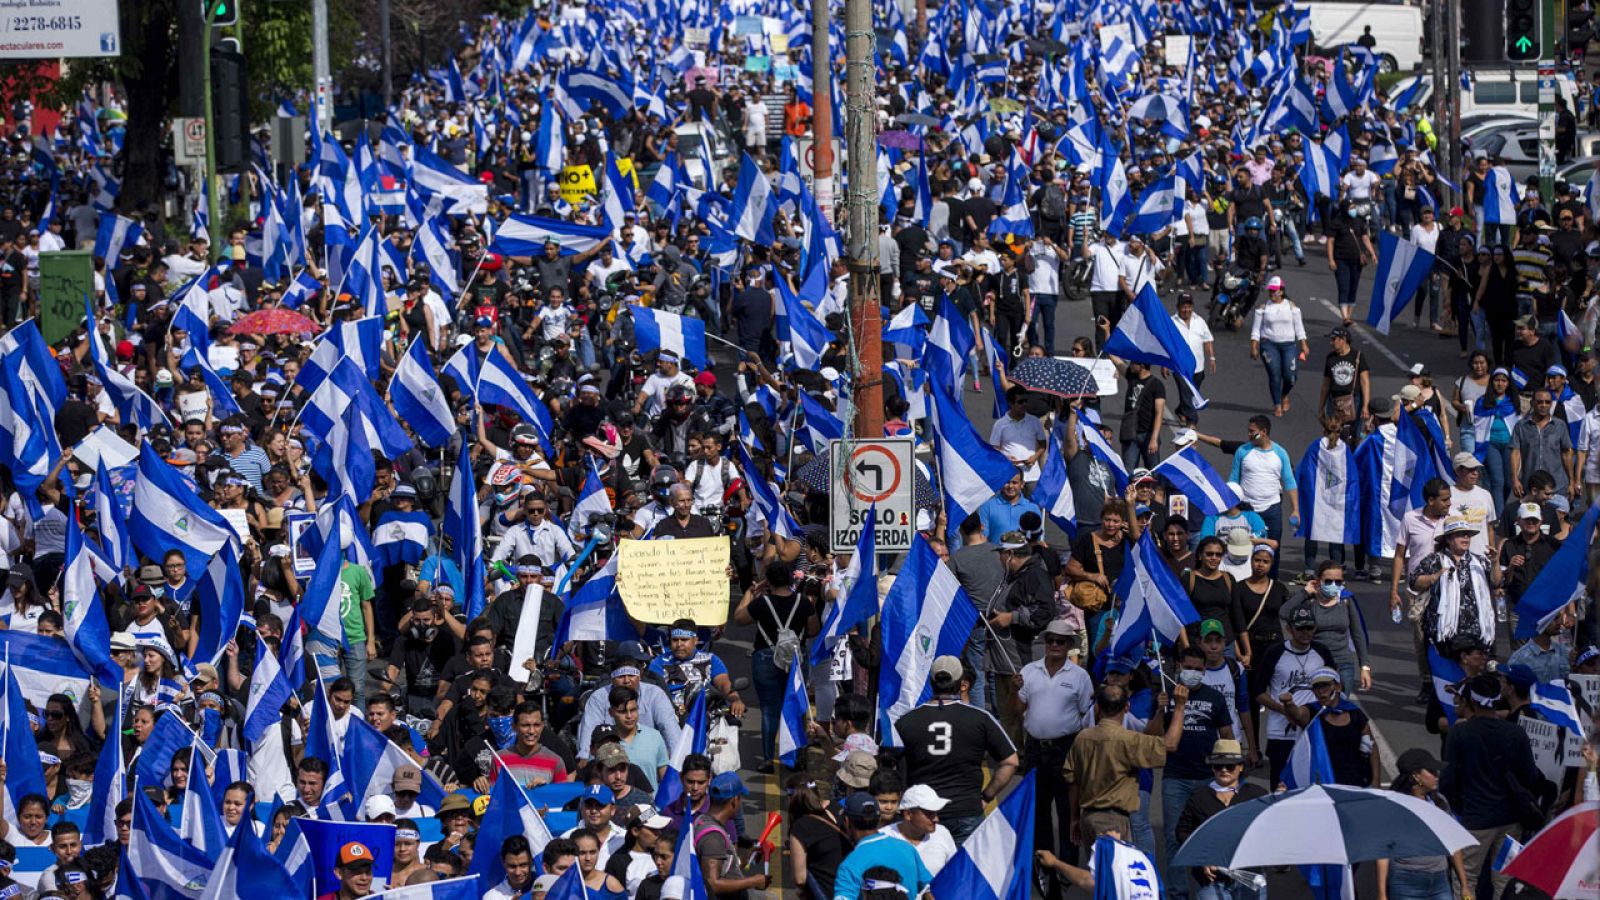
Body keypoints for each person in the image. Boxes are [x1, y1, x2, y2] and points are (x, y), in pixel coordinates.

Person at [1441, 673, 1548, 900]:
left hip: (1475, 818)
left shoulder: (1460, 733)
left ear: (1472, 701)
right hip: (1510, 819)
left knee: (1466, 879)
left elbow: (1448, 781)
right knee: (1505, 879)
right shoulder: (1515, 732)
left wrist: (1460, 806)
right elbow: (1530, 776)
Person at [892, 655, 1019, 844]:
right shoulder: (980, 718)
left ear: (932, 682)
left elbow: (893, 768)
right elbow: (1011, 762)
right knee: (965, 872)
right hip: (966, 810)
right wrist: (986, 796)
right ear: (961, 683)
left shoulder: (906, 721)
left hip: (922, 813)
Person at [1019, 619, 1094, 880]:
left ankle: (1068, 867)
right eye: (1050, 640)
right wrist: (1014, 689)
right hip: (1035, 749)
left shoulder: (1080, 677)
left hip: (1066, 748)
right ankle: (1044, 863)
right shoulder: (1028, 671)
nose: (1054, 645)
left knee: (1068, 809)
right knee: (1038, 809)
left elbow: (1087, 714)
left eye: (1060, 641)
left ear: (1069, 645)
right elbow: (1016, 710)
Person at [1065, 683, 1179, 853]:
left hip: (1088, 817)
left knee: (1097, 873)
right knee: (1113, 874)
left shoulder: (1083, 738)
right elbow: (1169, 744)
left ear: (1098, 708)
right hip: (1113, 822)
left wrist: (1074, 818)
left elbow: (1072, 781)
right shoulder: (1130, 740)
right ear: (1126, 707)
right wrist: (1180, 708)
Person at [1252, 607, 1338, 786]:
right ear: (1290, 629)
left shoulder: (1322, 651)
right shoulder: (1275, 653)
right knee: (1281, 784)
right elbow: (1258, 692)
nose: (1306, 633)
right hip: (1282, 732)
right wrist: (1286, 711)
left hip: (1315, 728)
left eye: (1310, 627)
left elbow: (1336, 685)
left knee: (1315, 782)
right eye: (1301, 628)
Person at [1175, 739, 1269, 900]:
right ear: (1212, 768)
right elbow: (1183, 832)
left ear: (1240, 767)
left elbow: (1272, 829)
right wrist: (1202, 858)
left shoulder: (1257, 795)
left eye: (1230, 766)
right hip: (1211, 881)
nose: (1224, 770)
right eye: (1219, 766)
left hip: (1250, 877)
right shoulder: (1199, 797)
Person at [1377, 749, 1472, 900]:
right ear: (1416, 776)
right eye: (1431, 771)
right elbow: (1383, 850)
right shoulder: (1395, 807)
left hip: (1440, 881)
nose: (1437, 775)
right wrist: (1382, 894)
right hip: (1406, 884)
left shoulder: (1440, 803)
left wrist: (1465, 885)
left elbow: (1454, 844)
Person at [1412, 516, 1501, 650]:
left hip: (1475, 633)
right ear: (1448, 539)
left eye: (1468, 535)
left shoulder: (1480, 561)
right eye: (1460, 535)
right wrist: (1434, 577)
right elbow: (1414, 582)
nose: (1465, 538)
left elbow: (1497, 582)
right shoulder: (1435, 560)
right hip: (1443, 634)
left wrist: (1495, 562)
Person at [831, 793, 932, 900]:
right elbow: (931, 890)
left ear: (847, 821)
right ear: (878, 819)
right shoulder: (907, 848)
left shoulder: (849, 866)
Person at [1249, 276, 1309, 417]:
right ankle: (1277, 404)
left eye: (1275, 291)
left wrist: (1304, 343)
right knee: (1275, 375)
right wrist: (1254, 346)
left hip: (1288, 345)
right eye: (1270, 291)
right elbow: (1256, 329)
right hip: (1269, 344)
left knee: (1290, 377)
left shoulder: (1291, 307)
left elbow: (1299, 327)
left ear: (1282, 291)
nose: (1272, 294)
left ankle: (1285, 394)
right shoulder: (1263, 309)